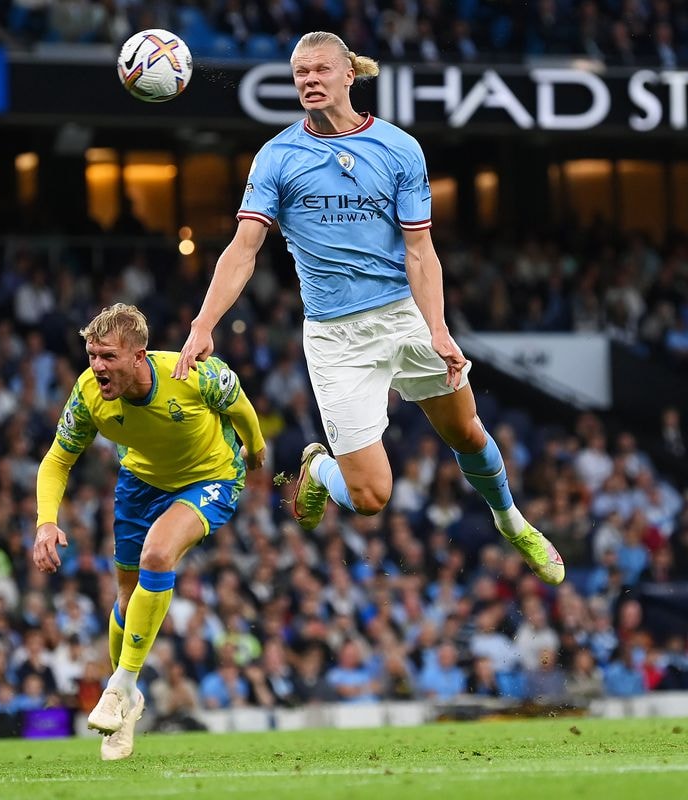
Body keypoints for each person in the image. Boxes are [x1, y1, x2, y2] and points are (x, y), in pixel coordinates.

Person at [173, 31, 563, 587]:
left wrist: (439, 328)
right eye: (300, 73)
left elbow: (420, 250)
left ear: (347, 75)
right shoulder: (278, 157)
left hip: (403, 316)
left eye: (320, 71)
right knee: (371, 496)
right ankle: (317, 468)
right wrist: (203, 324)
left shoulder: (399, 149)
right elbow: (243, 249)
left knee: (468, 433)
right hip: (336, 338)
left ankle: (512, 521)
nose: (309, 81)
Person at [32, 304, 265, 761]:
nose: (97, 366)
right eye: (92, 355)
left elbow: (241, 406)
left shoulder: (192, 374)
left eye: (108, 357)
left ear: (139, 355)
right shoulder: (87, 394)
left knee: (157, 554)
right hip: (139, 484)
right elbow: (57, 460)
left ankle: (121, 685)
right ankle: (128, 702)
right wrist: (46, 521)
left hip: (210, 477)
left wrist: (255, 451)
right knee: (126, 597)